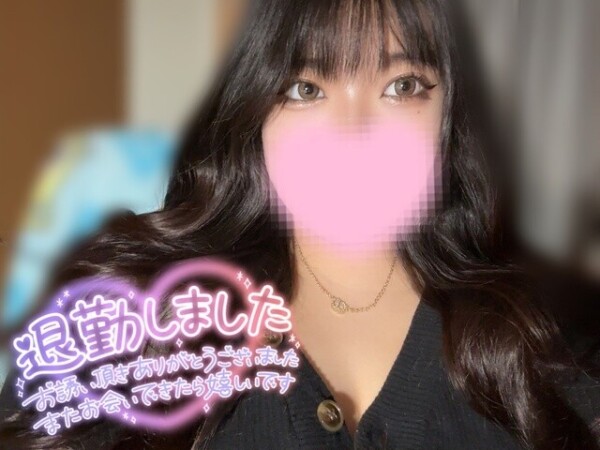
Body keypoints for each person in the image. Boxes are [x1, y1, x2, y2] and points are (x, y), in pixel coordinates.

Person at [1, 0, 600, 449]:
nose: (354, 134)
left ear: (450, 115)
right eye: (305, 88)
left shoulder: (547, 343)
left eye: (402, 86)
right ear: (254, 110)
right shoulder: (130, 310)